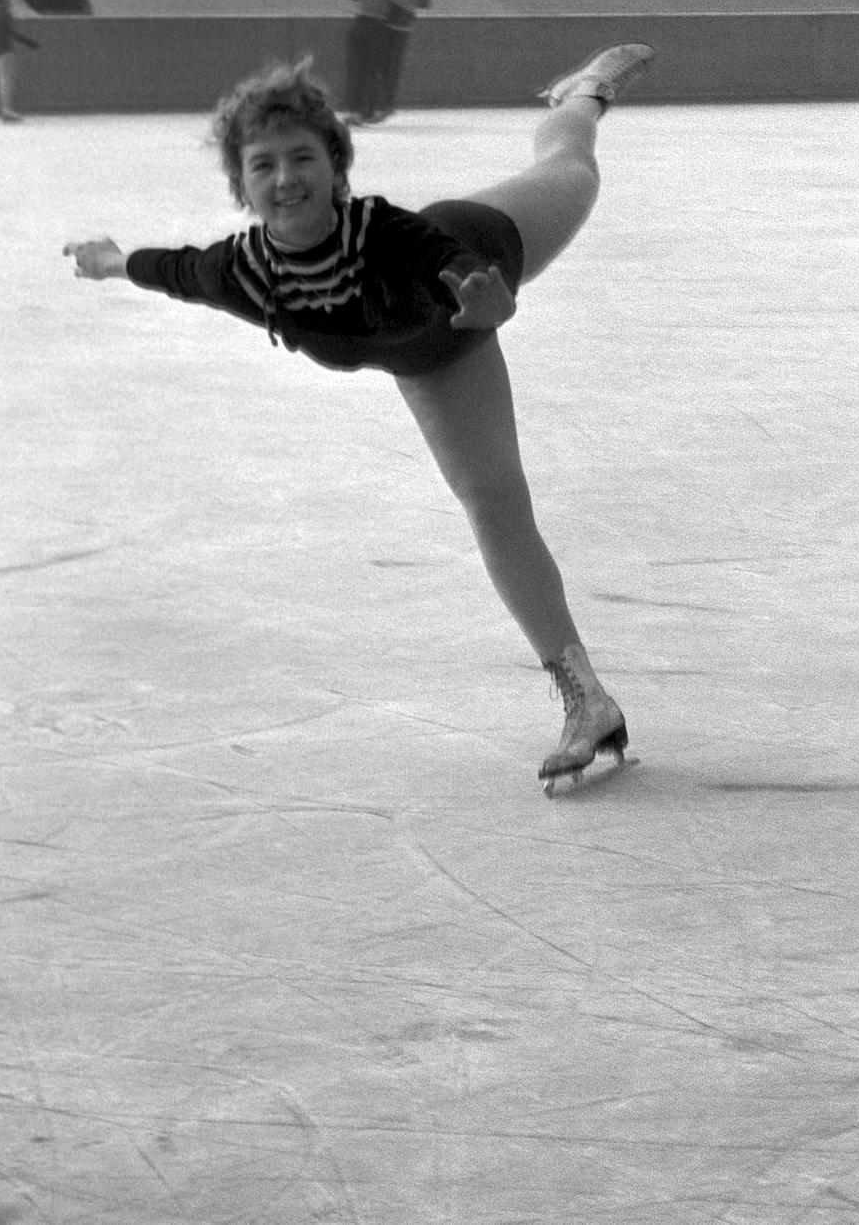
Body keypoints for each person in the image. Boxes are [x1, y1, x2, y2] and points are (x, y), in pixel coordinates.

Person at [63, 41, 655, 789]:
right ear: (242, 184)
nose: (286, 178)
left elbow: (452, 264)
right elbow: (176, 269)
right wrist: (113, 261)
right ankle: (587, 701)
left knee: (571, 169)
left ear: (336, 165)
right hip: (424, 358)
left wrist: (486, 298)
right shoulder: (244, 271)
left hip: (480, 255)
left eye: (302, 157)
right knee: (492, 506)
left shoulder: (387, 235)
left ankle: (583, 95)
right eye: (263, 164)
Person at [340, 0, 403, 126]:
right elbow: (401, 6)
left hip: (359, 24)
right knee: (371, 71)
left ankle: (351, 109)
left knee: (355, 70)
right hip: (378, 27)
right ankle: (364, 111)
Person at [379, 0, 430, 121]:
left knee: (392, 66)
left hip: (400, 29)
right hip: (382, 27)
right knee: (379, 65)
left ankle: (387, 105)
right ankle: (377, 104)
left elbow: (425, 3)